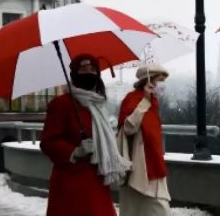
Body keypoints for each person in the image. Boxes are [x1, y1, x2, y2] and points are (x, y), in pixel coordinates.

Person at [40, 54, 130, 216]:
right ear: (74, 74)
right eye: (83, 69)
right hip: (70, 184)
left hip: (97, 179)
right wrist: (75, 151)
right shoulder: (61, 104)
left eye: (93, 69)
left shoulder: (97, 104)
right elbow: (48, 142)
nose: (89, 73)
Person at [117, 60, 171, 216]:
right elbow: (127, 128)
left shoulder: (153, 101)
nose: (162, 84)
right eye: (160, 80)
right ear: (149, 80)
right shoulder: (133, 98)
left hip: (152, 161)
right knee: (155, 208)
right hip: (139, 164)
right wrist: (144, 102)